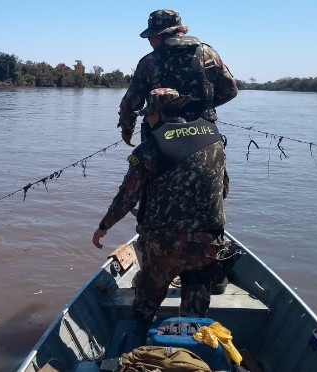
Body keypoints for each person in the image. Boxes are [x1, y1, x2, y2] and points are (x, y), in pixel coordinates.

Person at [93, 87, 230, 327]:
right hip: (208, 244)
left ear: (156, 114)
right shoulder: (214, 140)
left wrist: (104, 226)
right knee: (195, 317)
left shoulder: (147, 149)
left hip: (163, 246)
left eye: (148, 115)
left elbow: (127, 197)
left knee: (145, 307)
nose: (146, 119)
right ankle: (191, 352)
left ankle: (139, 343)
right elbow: (224, 189)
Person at [118, 9, 238, 146]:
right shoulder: (209, 54)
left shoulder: (149, 62)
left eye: (151, 36)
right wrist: (202, 107)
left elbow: (130, 105)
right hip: (205, 140)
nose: (149, 40)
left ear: (161, 35)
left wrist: (127, 132)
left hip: (161, 144)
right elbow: (231, 91)